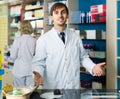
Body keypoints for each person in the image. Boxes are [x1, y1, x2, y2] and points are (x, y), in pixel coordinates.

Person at [32, 2, 105, 89]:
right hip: (53, 87)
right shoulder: (43, 40)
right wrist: (38, 73)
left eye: (63, 12)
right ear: (51, 17)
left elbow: (83, 57)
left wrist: (93, 67)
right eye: (56, 12)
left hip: (73, 86)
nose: (60, 15)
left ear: (67, 15)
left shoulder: (75, 37)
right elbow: (38, 62)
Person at [9, 20, 36, 87]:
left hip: (19, 70)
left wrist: (11, 60)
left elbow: (13, 56)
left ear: (20, 28)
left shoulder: (17, 40)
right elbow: (36, 55)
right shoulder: (34, 40)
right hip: (30, 70)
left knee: (19, 92)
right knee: (29, 91)